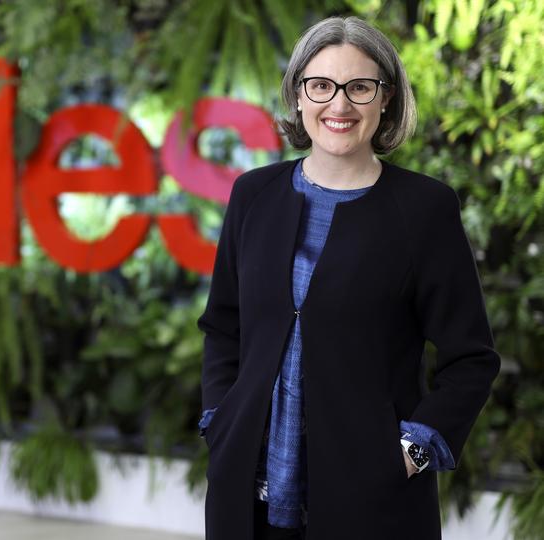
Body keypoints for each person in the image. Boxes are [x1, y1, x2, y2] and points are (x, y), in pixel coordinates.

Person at [196, 15, 501, 540]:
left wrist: (413, 451)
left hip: (372, 499)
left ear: (385, 99)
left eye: (359, 87)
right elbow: (225, 327)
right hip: (246, 493)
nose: (339, 105)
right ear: (297, 96)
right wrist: (220, 420)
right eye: (321, 86)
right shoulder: (253, 195)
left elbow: (471, 357)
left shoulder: (425, 209)